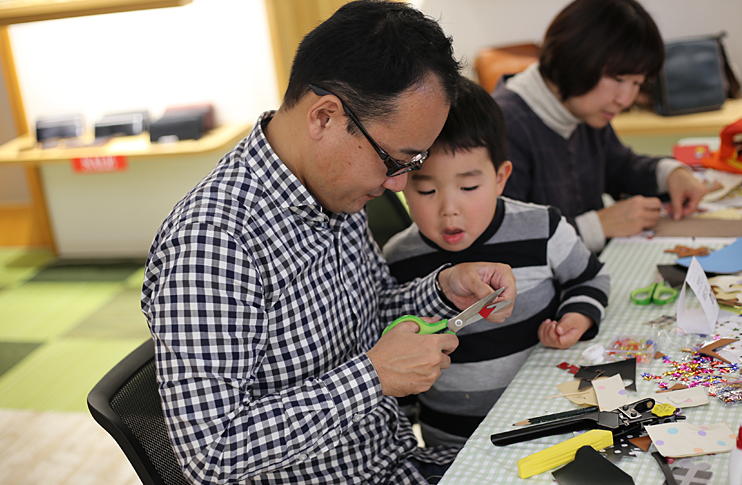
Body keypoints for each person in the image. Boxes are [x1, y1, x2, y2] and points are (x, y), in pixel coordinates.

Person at [140, 2, 516, 484]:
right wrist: (372, 377)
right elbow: (212, 454)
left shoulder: (333, 191)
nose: (399, 184)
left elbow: (371, 313)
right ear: (324, 118)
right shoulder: (214, 243)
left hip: (397, 462)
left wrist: (445, 288)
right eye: (395, 159)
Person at [383, 77, 609, 447]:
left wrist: (576, 319)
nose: (449, 209)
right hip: (452, 440)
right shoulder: (398, 259)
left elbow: (591, 279)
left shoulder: (541, 227)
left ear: (500, 177)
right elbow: (399, 366)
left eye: (469, 187)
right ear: (403, 182)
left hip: (546, 416)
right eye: (425, 189)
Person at [492, 0, 708, 253]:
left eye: (637, 83)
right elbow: (503, 240)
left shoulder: (583, 107)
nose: (625, 99)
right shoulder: (503, 125)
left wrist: (672, 173)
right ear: (574, 56)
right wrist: (596, 227)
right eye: (618, 79)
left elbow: (621, 168)